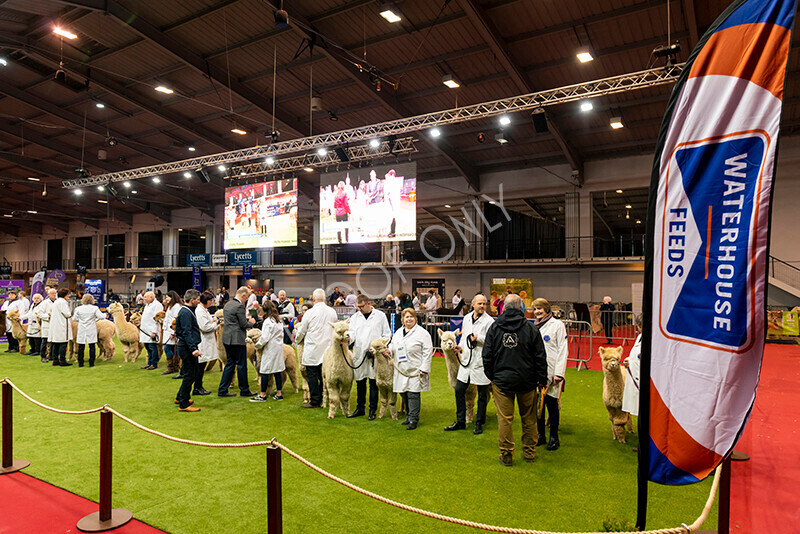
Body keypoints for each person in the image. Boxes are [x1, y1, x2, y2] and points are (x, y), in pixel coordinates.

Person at [482, 294, 548, 466]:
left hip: (502, 381)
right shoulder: (531, 328)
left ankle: (506, 454)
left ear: (503, 308)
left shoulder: (495, 327)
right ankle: (529, 453)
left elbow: (487, 355)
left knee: (505, 419)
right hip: (527, 381)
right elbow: (540, 356)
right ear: (521, 308)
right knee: (529, 418)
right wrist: (542, 379)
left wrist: (492, 376)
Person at [445, 294, 494, 434]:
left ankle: (479, 422)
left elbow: (491, 341)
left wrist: (479, 338)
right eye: (479, 304)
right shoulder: (466, 318)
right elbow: (464, 336)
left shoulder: (489, 321)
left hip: (480, 362)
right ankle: (460, 421)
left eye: (484, 304)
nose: (482, 306)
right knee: (459, 389)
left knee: (482, 395)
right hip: (466, 361)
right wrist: (460, 346)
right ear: (473, 304)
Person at [347, 295, 392, 420]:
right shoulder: (355, 317)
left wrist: (378, 348)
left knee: (373, 382)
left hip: (375, 355)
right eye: (358, 307)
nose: (359, 309)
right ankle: (360, 408)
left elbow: (386, 334)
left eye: (361, 307)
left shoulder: (380, 316)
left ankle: (373, 409)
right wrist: (348, 338)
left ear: (368, 303)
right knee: (360, 381)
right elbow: (352, 333)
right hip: (359, 353)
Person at [532, 298, 568, 451]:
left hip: (552, 373)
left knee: (552, 405)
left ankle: (554, 437)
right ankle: (540, 435)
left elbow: (563, 349)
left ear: (547, 309)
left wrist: (559, 373)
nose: (537, 312)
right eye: (535, 309)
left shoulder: (558, 325)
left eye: (540, 308)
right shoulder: (533, 326)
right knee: (538, 405)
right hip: (536, 372)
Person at [389, 308, 432, 430]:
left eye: (411, 317)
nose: (409, 319)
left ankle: (413, 419)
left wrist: (424, 368)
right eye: (406, 317)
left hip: (415, 369)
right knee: (405, 393)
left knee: (413, 394)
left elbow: (427, 352)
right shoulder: (398, 332)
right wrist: (389, 351)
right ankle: (408, 416)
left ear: (415, 319)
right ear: (402, 319)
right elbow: (393, 345)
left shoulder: (423, 334)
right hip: (402, 368)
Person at [295, 288, 338, 408]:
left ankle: (315, 401)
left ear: (313, 299)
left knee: (312, 375)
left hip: (313, 349)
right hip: (328, 349)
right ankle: (328, 399)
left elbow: (302, 331)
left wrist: (297, 340)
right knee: (326, 376)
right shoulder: (332, 312)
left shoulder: (309, 313)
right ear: (324, 298)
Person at [219, 286, 256, 397]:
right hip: (237, 340)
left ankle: (222, 390)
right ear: (243, 295)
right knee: (241, 365)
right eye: (247, 297)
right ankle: (244, 390)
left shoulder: (228, 305)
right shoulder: (239, 306)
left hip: (227, 339)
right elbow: (243, 325)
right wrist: (252, 322)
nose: (247, 299)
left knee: (230, 364)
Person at [251, 300, 285, 402]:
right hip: (278, 347)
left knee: (264, 371)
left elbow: (264, 338)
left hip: (270, 348)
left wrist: (257, 345)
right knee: (277, 371)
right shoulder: (278, 320)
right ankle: (279, 393)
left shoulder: (268, 322)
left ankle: (262, 395)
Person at [174, 289, 202, 412]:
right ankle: (184, 404)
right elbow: (187, 332)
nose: (199, 302)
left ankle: (180, 397)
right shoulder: (186, 313)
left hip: (186, 347)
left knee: (191, 373)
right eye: (198, 300)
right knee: (189, 375)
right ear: (192, 300)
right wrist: (193, 349)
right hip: (186, 347)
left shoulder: (187, 311)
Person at [192, 291, 217, 395]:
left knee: (202, 365)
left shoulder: (204, 310)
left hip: (207, 340)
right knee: (200, 366)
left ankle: (199, 386)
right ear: (207, 301)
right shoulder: (200, 311)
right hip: (203, 340)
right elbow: (205, 327)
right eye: (211, 301)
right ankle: (197, 388)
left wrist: (214, 320)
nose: (212, 303)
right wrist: (216, 324)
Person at [72, 294, 105, 367]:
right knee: (92, 346)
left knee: (81, 346)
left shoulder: (78, 309)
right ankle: (91, 363)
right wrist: (105, 314)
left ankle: (80, 363)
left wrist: (81, 320)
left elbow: (74, 319)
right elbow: (101, 316)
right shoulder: (94, 308)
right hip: (91, 328)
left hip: (82, 328)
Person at [622, 314, 642, 419]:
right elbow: (635, 354)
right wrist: (628, 360)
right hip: (634, 374)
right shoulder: (639, 337)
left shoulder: (652, 340)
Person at [49, 288, 74, 367]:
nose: (69, 296)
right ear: (64, 295)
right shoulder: (63, 302)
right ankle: (62, 360)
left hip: (56, 325)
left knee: (56, 344)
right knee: (63, 343)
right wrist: (70, 313)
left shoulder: (56, 302)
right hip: (62, 325)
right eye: (68, 294)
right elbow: (67, 314)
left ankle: (55, 360)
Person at [139, 291, 163, 370]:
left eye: (146, 297)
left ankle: (154, 363)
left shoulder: (157, 305)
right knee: (148, 347)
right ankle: (149, 363)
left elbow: (156, 319)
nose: (144, 298)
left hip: (151, 330)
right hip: (145, 330)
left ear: (151, 297)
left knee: (152, 347)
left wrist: (154, 331)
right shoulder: (147, 305)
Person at [162, 291, 183, 376]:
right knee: (171, 348)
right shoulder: (170, 306)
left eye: (167, 297)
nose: (166, 299)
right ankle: (173, 367)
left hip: (172, 331)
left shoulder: (177, 306)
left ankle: (173, 367)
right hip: (167, 330)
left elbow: (176, 320)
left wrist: (173, 332)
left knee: (168, 348)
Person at [37, 289, 56, 362]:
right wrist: (48, 316)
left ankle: (51, 355)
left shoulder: (57, 302)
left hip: (55, 325)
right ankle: (43, 356)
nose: (54, 295)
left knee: (53, 342)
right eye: (52, 293)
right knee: (44, 342)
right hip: (47, 324)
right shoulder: (44, 303)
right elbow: (39, 314)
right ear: (48, 294)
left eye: (55, 293)